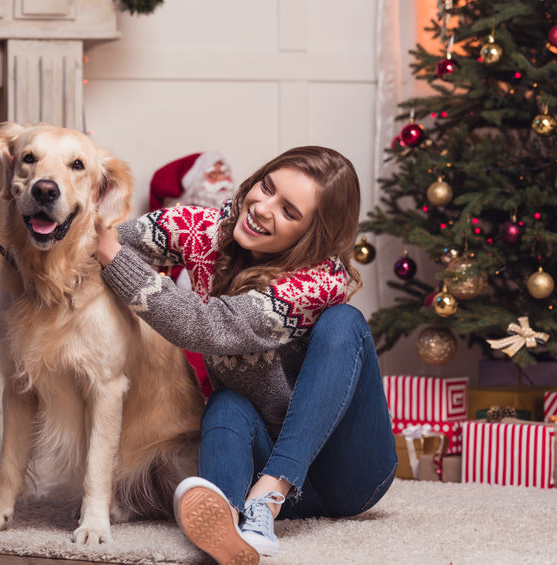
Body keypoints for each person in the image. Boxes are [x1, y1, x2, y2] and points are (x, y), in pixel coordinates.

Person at [94, 146, 397, 565]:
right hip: (264, 456)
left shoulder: (321, 281)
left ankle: (269, 495)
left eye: (289, 211)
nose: (262, 208)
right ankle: (229, 520)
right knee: (226, 402)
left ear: (313, 235)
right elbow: (105, 240)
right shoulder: (206, 228)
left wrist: (111, 256)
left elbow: (206, 326)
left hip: (349, 472)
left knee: (343, 322)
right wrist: (45, 243)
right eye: (266, 187)